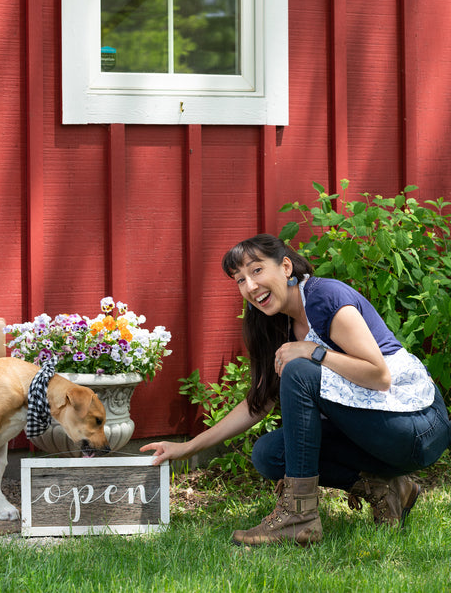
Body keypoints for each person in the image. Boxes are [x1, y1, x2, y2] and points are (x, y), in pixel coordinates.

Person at [141, 233, 451, 546]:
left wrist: (312, 351)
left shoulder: (324, 298)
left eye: (257, 270)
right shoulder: (274, 323)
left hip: (417, 427)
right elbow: (257, 405)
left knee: (299, 369)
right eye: (240, 279)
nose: (250, 286)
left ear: (286, 267)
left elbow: (379, 376)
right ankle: (389, 488)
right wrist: (188, 448)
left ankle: (299, 515)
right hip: (376, 430)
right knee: (270, 454)